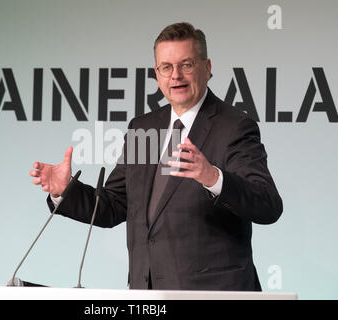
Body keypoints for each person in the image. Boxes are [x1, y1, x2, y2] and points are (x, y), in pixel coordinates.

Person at [29, 22, 282, 291]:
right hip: (148, 295)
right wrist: (66, 191)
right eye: (166, 67)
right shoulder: (143, 128)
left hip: (213, 292)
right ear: (157, 74)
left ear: (206, 68)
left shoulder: (233, 126)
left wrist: (212, 177)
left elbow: (267, 204)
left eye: (186, 65)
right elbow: (115, 205)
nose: (176, 76)